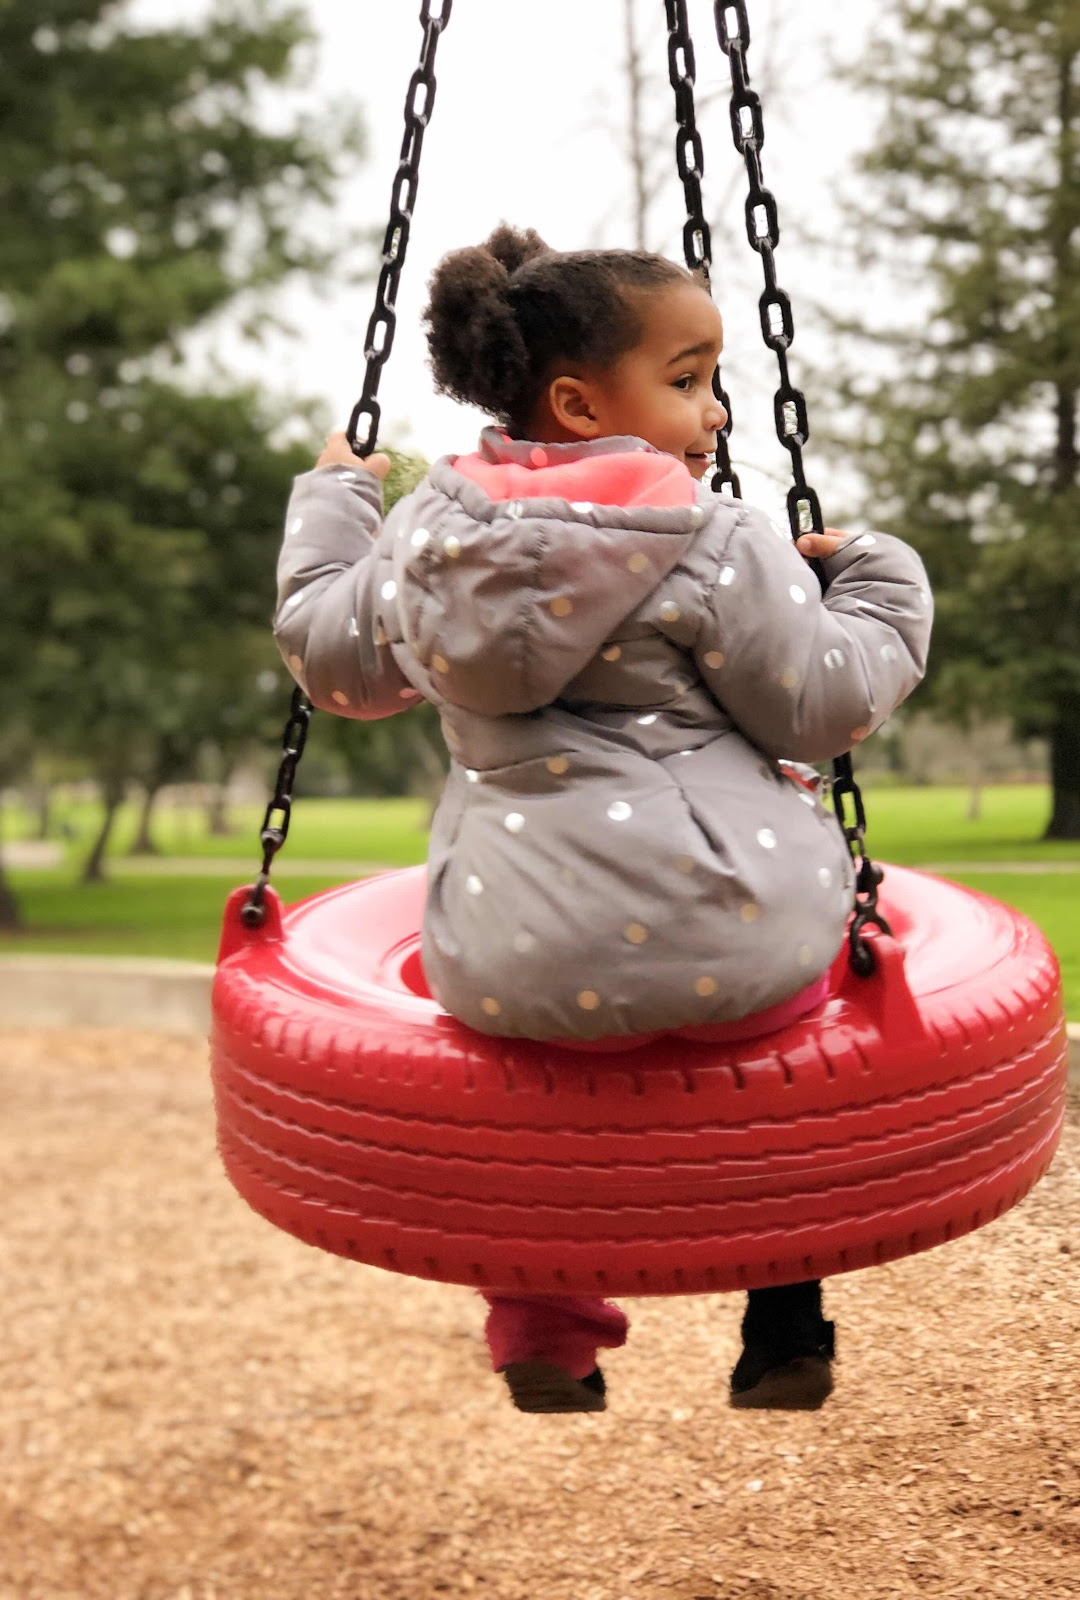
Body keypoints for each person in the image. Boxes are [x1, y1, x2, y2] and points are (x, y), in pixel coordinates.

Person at [273, 224, 933, 1414]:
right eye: (688, 380)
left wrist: (335, 500)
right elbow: (823, 708)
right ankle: (784, 1321)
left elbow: (331, 662)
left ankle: (543, 1326)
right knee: (787, 1077)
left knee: (532, 1100)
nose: (716, 413)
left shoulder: (421, 542)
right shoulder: (714, 538)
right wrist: (884, 584)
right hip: (732, 933)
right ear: (579, 404)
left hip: (511, 956)